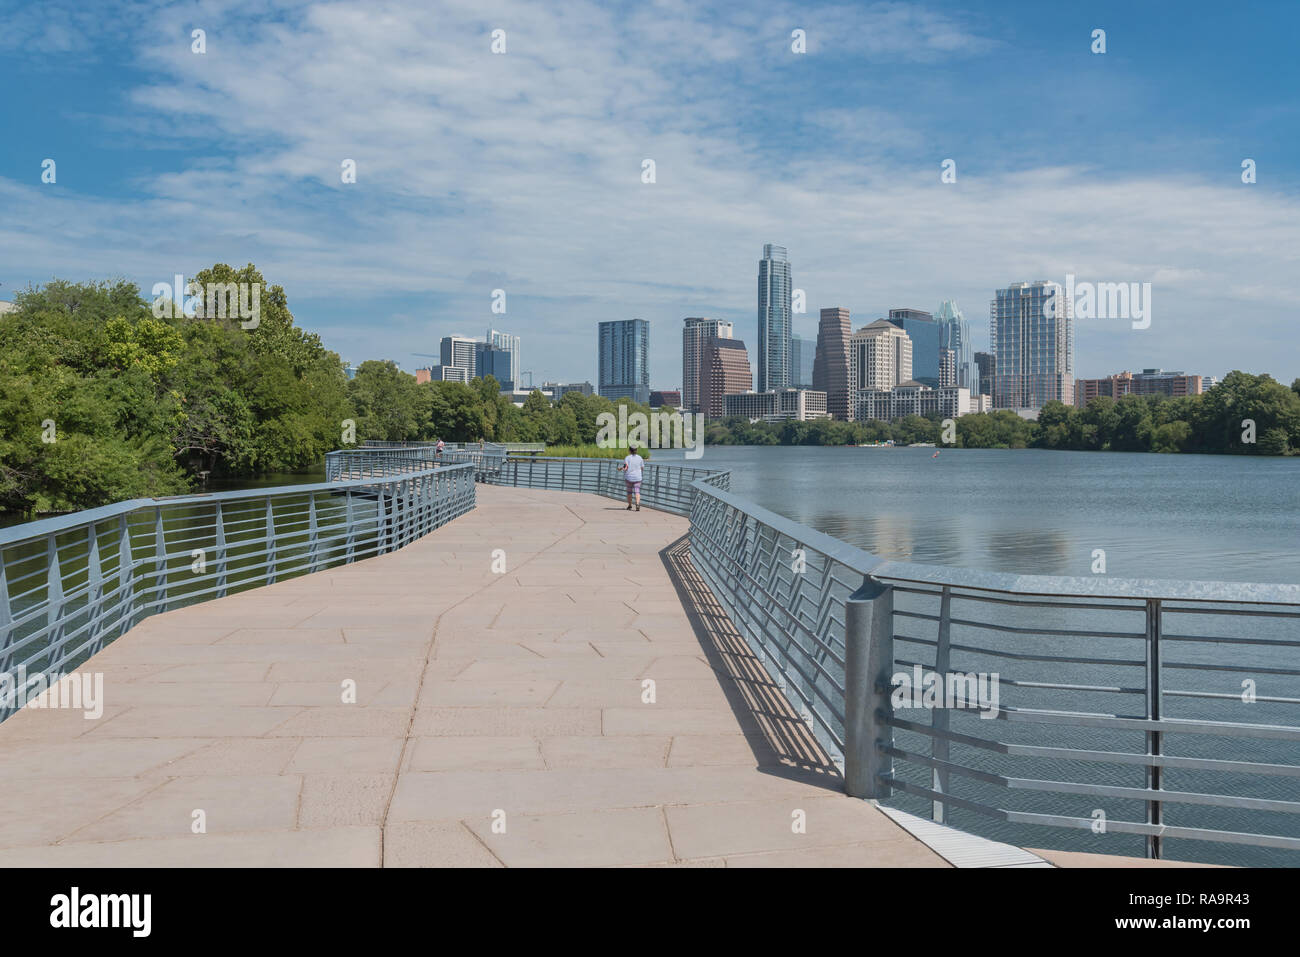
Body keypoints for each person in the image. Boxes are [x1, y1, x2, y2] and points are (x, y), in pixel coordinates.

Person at [617, 445, 644, 512]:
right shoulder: (640, 458)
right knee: (637, 491)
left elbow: (626, 467)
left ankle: (630, 505)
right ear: (636, 450)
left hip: (629, 477)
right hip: (638, 477)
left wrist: (620, 469)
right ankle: (637, 504)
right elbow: (642, 468)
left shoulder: (627, 458)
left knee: (629, 492)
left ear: (629, 451)